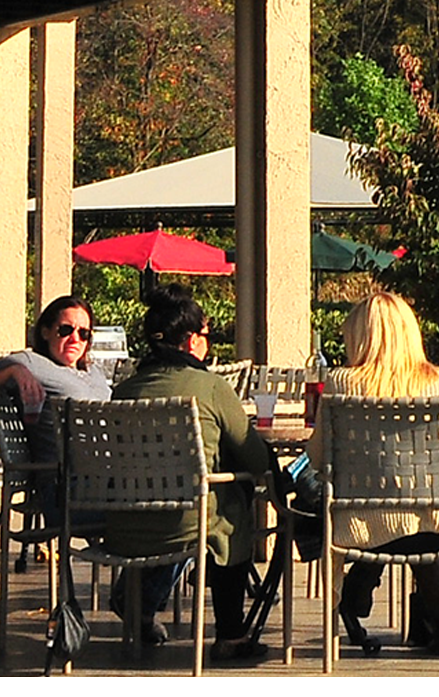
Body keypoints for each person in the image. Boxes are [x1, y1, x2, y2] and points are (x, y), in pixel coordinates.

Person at [107, 284, 275, 663]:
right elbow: (255, 458)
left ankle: (138, 600)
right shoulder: (210, 386)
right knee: (231, 503)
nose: (208, 343)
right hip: (186, 525)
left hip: (124, 526)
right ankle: (230, 634)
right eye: (206, 335)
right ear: (188, 341)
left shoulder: (123, 391)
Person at [308, 291, 439, 657]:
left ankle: (353, 598)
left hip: (364, 527)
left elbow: (317, 458)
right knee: (417, 515)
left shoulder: (342, 382)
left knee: (384, 515)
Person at [0, 295, 111, 411]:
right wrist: (12, 371)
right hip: (65, 454)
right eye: (65, 330)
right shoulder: (29, 363)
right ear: (45, 332)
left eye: (83, 333)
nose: (75, 339)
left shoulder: (94, 371)